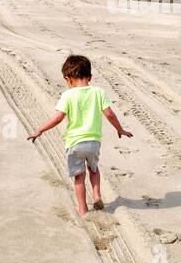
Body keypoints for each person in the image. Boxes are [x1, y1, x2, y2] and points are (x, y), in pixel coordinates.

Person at [27, 54, 131, 217]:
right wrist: (120, 129)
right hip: (93, 142)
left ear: (68, 78)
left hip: (75, 143)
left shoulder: (68, 95)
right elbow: (109, 114)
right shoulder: (98, 92)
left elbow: (58, 118)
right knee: (94, 170)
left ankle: (82, 209)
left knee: (79, 178)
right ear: (90, 76)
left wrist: (40, 130)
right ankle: (97, 196)